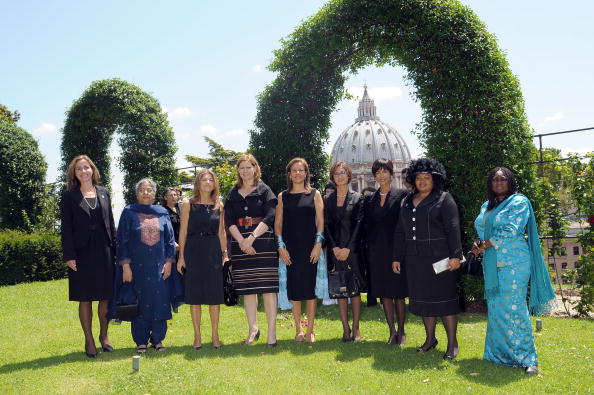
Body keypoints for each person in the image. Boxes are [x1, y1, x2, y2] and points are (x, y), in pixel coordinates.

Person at [473, 167, 555, 375]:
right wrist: (478, 243)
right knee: (496, 309)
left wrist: (484, 245)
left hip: (514, 263)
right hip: (492, 263)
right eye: (494, 179)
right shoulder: (486, 206)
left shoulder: (519, 202)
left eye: (503, 179)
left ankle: (529, 358)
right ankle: (498, 355)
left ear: (510, 182)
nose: (499, 183)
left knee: (515, 308)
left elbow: (510, 231)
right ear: (490, 184)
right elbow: (482, 230)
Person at [392, 158, 462, 359]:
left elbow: (453, 228)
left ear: (435, 179)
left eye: (427, 178)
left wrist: (456, 256)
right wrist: (396, 257)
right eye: (418, 178)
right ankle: (430, 339)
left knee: (445, 302)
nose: (422, 181)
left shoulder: (444, 198)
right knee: (424, 302)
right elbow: (399, 231)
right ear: (413, 180)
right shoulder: (406, 201)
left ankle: (452, 344)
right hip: (415, 261)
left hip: (441, 260)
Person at [60, 155, 116, 358]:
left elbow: (110, 223)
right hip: (81, 253)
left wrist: (116, 250)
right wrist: (69, 255)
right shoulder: (69, 197)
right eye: (79, 169)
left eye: (86, 167)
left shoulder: (104, 192)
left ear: (93, 170)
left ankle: (104, 335)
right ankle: (89, 340)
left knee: (105, 297)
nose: (83, 171)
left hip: (104, 250)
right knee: (85, 299)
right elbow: (66, 229)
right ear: (74, 174)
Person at [116, 178, 180, 353]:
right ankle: (141, 341)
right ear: (137, 193)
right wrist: (126, 266)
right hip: (137, 267)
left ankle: (158, 339)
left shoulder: (162, 213)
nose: (146, 192)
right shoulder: (129, 212)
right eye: (142, 190)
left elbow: (169, 239)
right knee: (140, 301)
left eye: (149, 190)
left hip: (159, 266)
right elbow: (122, 240)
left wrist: (169, 262)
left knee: (160, 300)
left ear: (154, 194)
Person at [225, 154, 279, 346]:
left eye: (249, 167)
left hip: (263, 243)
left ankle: (271, 333)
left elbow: (271, 215)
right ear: (238, 171)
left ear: (256, 168)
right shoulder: (232, 193)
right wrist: (241, 241)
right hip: (240, 245)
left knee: (268, 290)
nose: (245, 171)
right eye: (242, 168)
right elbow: (228, 221)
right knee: (248, 289)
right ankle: (253, 329)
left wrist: (252, 238)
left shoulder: (265, 190)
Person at [275, 157, 324, 343]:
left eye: (301, 170)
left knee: (309, 290)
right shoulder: (283, 196)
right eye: (294, 170)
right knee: (294, 291)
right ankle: (298, 330)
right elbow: (278, 224)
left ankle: (310, 330)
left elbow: (320, 221)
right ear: (289, 174)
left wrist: (318, 245)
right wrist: (281, 247)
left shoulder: (315, 194)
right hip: (290, 250)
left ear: (306, 173)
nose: (297, 173)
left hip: (310, 248)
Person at [178, 170, 227, 349]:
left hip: (213, 250)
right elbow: (182, 231)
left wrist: (225, 254)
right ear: (198, 183)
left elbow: (222, 232)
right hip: (193, 249)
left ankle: (215, 335)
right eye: (204, 179)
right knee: (195, 295)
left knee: (214, 295)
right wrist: (181, 257)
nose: (207, 182)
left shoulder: (219, 205)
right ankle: (197, 336)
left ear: (214, 184)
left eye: (210, 180)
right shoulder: (188, 204)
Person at [363, 159, 408, 345]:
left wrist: (399, 254)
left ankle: (402, 330)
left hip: (395, 251)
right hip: (377, 253)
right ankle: (392, 332)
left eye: (384, 171)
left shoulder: (402, 195)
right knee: (385, 294)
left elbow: (403, 226)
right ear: (374, 176)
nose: (381, 175)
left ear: (391, 173)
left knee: (397, 293)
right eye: (378, 172)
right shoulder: (370, 200)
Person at [324, 162, 366, 342]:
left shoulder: (358, 198)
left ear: (348, 175)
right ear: (332, 177)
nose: (340, 176)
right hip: (335, 251)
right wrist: (334, 247)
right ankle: (345, 328)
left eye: (343, 173)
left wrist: (348, 248)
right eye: (336, 173)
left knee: (354, 290)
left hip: (353, 250)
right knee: (340, 289)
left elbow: (359, 224)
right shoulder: (327, 201)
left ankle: (356, 328)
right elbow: (325, 226)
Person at [360, 186, 378, 307]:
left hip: (379, 245)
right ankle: (371, 299)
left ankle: (383, 297)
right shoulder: (361, 211)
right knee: (370, 273)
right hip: (365, 245)